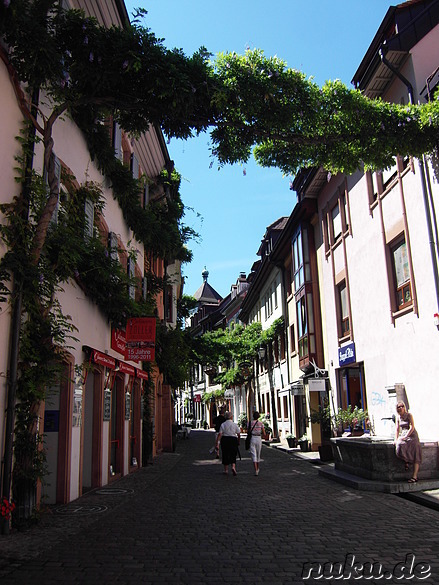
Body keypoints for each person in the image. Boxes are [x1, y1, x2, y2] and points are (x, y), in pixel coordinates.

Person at [394, 401, 422, 483]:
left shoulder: (409, 415)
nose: (400, 408)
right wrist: (396, 439)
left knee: (416, 453)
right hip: (404, 435)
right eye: (398, 407)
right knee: (399, 445)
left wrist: (406, 436)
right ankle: (407, 461)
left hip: (412, 435)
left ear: (404, 407)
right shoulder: (398, 417)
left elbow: (412, 426)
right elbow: (397, 429)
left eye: (401, 406)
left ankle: (414, 476)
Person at [216, 411, 240, 476]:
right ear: (231, 417)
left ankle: (226, 470)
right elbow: (238, 433)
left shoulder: (223, 424)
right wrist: (238, 440)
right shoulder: (234, 424)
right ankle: (233, 467)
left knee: (225, 453)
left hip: (225, 439)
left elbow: (220, 434)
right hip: (233, 439)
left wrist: (217, 443)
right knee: (233, 453)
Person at [247, 411, 266, 476]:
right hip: (258, 438)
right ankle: (257, 468)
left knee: (253, 454)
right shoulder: (261, 423)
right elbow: (264, 433)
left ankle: (256, 470)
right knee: (258, 454)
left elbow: (248, 431)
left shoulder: (250, 423)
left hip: (252, 438)